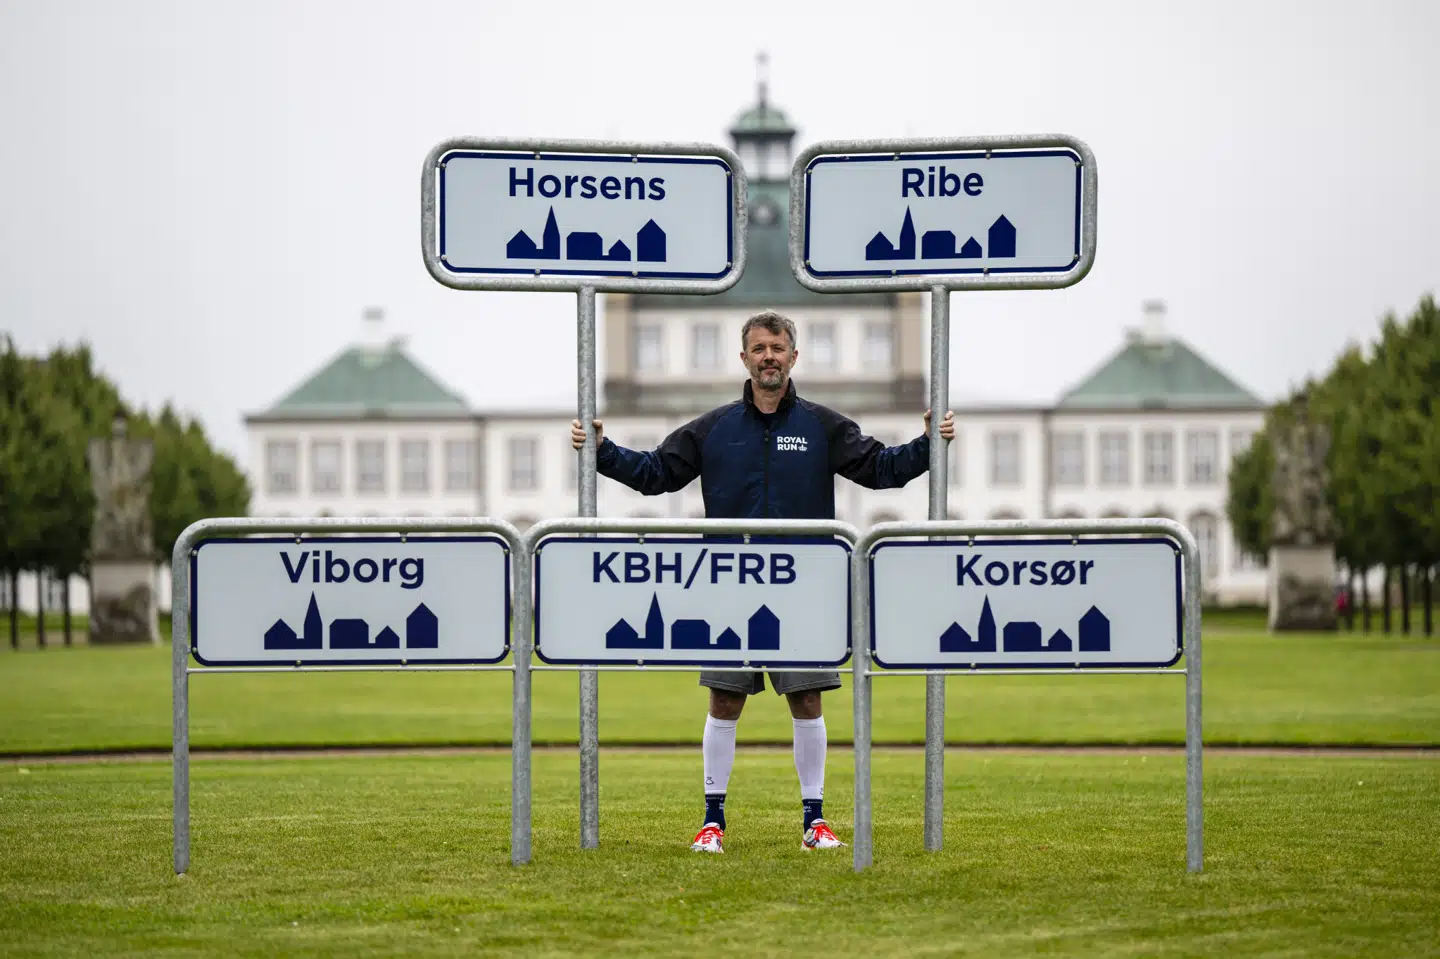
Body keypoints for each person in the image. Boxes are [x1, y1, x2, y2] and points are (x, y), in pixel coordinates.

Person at [569, 309, 954, 854]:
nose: (768, 357)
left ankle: (815, 822)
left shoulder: (822, 425)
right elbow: (656, 474)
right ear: (744, 358)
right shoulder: (714, 428)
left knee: (808, 701)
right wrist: (602, 451)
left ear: (793, 356)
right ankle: (712, 822)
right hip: (729, 590)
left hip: (802, 592)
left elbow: (881, 469)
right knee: (724, 703)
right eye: (759, 348)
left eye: (777, 348)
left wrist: (928, 443)